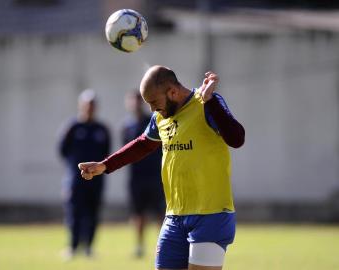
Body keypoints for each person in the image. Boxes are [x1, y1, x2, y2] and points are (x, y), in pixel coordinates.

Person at [78, 66, 245, 270]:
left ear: (172, 92)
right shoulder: (161, 116)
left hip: (210, 215)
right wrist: (105, 165)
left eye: (154, 103)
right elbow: (143, 144)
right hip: (174, 217)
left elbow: (237, 139)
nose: (151, 109)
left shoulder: (207, 103)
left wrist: (211, 102)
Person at [58, 89, 110, 259]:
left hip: (95, 181)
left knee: (93, 214)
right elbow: (63, 151)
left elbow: (106, 154)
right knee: (74, 214)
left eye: (93, 105)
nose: (90, 108)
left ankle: (89, 247)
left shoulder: (101, 129)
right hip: (75, 180)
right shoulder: (73, 127)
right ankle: (73, 247)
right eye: (87, 105)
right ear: (81, 106)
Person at [122, 90, 165, 258]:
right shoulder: (126, 126)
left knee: (159, 213)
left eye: (139, 101)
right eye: (133, 101)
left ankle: (162, 245)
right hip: (136, 179)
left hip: (155, 176)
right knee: (138, 214)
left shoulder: (153, 122)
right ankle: (139, 246)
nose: (136, 104)